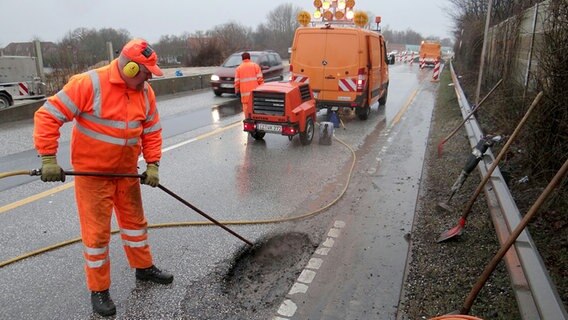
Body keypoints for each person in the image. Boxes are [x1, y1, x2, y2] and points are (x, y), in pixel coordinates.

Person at [33, 38, 173, 317]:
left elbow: (152, 131)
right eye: (146, 72)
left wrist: (153, 164)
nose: (148, 79)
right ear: (131, 68)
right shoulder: (88, 84)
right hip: (93, 176)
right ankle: (99, 290)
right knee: (97, 236)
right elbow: (47, 115)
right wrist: (48, 158)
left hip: (126, 173)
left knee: (135, 224)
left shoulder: (145, 93)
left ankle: (143, 268)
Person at [234, 52, 264, 117]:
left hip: (245, 96)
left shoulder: (238, 69)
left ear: (242, 59)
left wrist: (237, 91)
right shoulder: (255, 66)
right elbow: (260, 80)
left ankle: (248, 120)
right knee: (256, 110)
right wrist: (262, 90)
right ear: (250, 58)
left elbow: (237, 82)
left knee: (247, 112)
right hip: (255, 95)